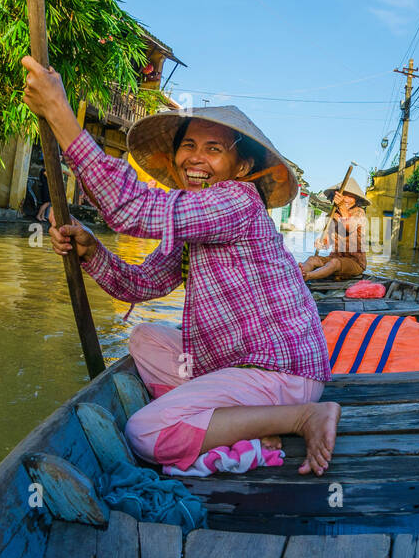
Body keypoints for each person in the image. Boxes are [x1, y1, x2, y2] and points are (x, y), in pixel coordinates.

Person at [21, 55, 339, 476]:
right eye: (188, 146)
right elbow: (140, 283)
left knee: (143, 433)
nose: (196, 158)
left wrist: (59, 113)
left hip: (282, 373)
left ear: (240, 167)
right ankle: (238, 422)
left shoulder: (238, 201)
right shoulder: (194, 221)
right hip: (237, 364)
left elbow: (128, 208)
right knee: (145, 339)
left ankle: (299, 418)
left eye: (213, 149)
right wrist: (92, 250)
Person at [300, 174, 369, 281]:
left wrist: (341, 206)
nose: (346, 199)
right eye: (343, 195)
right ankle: (299, 272)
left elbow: (350, 228)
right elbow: (328, 242)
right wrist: (321, 242)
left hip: (355, 263)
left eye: (350, 196)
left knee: (334, 263)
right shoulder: (333, 215)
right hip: (336, 258)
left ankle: (308, 276)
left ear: (356, 199)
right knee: (312, 259)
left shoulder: (359, 212)